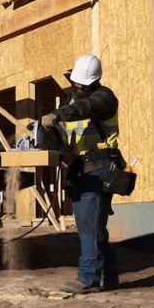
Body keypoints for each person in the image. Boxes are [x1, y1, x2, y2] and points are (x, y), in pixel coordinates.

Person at [40, 54, 120, 295]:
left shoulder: (104, 98)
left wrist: (58, 115)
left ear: (94, 82)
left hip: (99, 170)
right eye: (76, 84)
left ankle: (89, 278)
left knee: (89, 225)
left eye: (81, 85)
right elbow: (65, 133)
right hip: (80, 171)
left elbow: (86, 108)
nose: (77, 89)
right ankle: (109, 275)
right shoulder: (72, 102)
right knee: (94, 227)